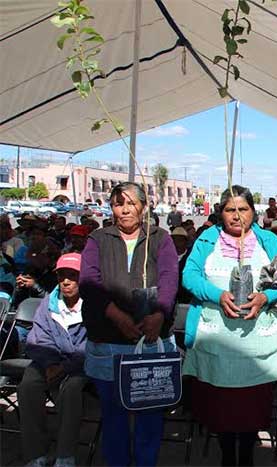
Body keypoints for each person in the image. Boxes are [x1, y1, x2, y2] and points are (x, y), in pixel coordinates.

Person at [182, 186, 277, 466]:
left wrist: (266, 297)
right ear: (221, 213)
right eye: (230, 210)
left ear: (253, 212)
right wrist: (217, 295)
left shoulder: (268, 240)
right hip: (216, 344)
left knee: (251, 410)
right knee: (221, 410)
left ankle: (247, 456)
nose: (237, 216)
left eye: (243, 209)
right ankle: (228, 456)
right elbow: (189, 275)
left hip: (257, 346)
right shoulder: (208, 239)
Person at [80, 182, 179, 467]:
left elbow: (169, 277)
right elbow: (89, 281)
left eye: (130, 203)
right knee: (113, 416)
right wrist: (115, 313)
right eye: (117, 204)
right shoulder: (98, 238)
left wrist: (159, 314)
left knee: (150, 413)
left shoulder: (160, 238)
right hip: (108, 341)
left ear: (144, 207)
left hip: (148, 341)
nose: (123, 210)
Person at [19, 253, 87, 467]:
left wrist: (65, 366)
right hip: (47, 360)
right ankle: (36, 453)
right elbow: (38, 337)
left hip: (79, 364)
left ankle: (65, 455)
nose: (66, 281)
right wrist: (50, 364)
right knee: (28, 386)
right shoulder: (49, 303)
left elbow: (93, 343)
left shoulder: (93, 303)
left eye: (72, 276)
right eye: (61, 276)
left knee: (72, 389)